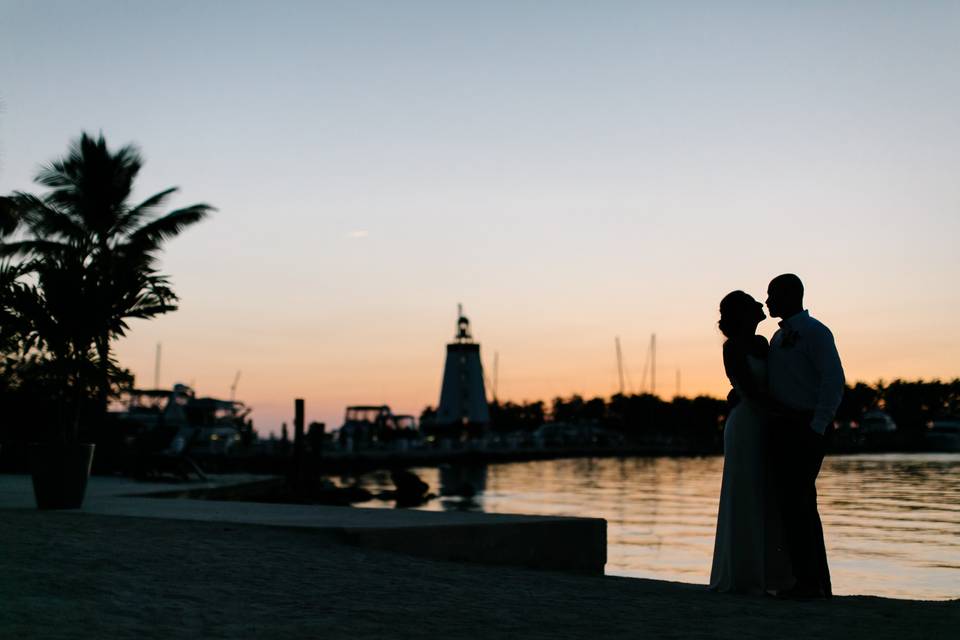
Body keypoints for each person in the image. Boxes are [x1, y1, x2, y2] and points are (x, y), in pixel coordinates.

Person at [766, 273, 844, 599]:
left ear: (790, 295)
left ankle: (811, 583)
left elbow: (833, 379)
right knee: (791, 504)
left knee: (799, 503)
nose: (767, 301)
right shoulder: (777, 338)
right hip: (782, 428)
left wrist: (818, 426)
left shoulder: (815, 333)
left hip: (806, 427)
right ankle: (805, 580)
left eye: (772, 295)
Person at [709, 290, 792, 594]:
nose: (761, 304)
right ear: (743, 313)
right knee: (744, 492)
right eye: (754, 302)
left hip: (766, 423)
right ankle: (743, 575)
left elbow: (775, 381)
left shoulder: (764, 344)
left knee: (766, 492)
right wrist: (785, 414)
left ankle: (768, 572)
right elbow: (750, 391)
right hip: (746, 424)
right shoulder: (732, 348)